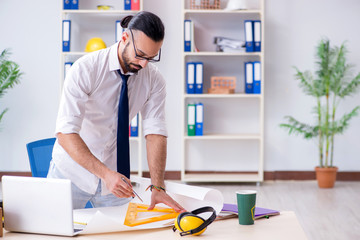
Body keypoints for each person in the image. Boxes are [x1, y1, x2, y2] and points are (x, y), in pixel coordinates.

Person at [48, 11, 185, 212]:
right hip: (71, 172)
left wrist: (157, 185)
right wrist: (105, 174)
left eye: (152, 57)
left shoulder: (154, 80)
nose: (144, 64)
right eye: (140, 55)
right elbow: (65, 133)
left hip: (114, 179)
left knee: (122, 232)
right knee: (55, 229)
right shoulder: (85, 69)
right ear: (124, 38)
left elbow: (155, 133)